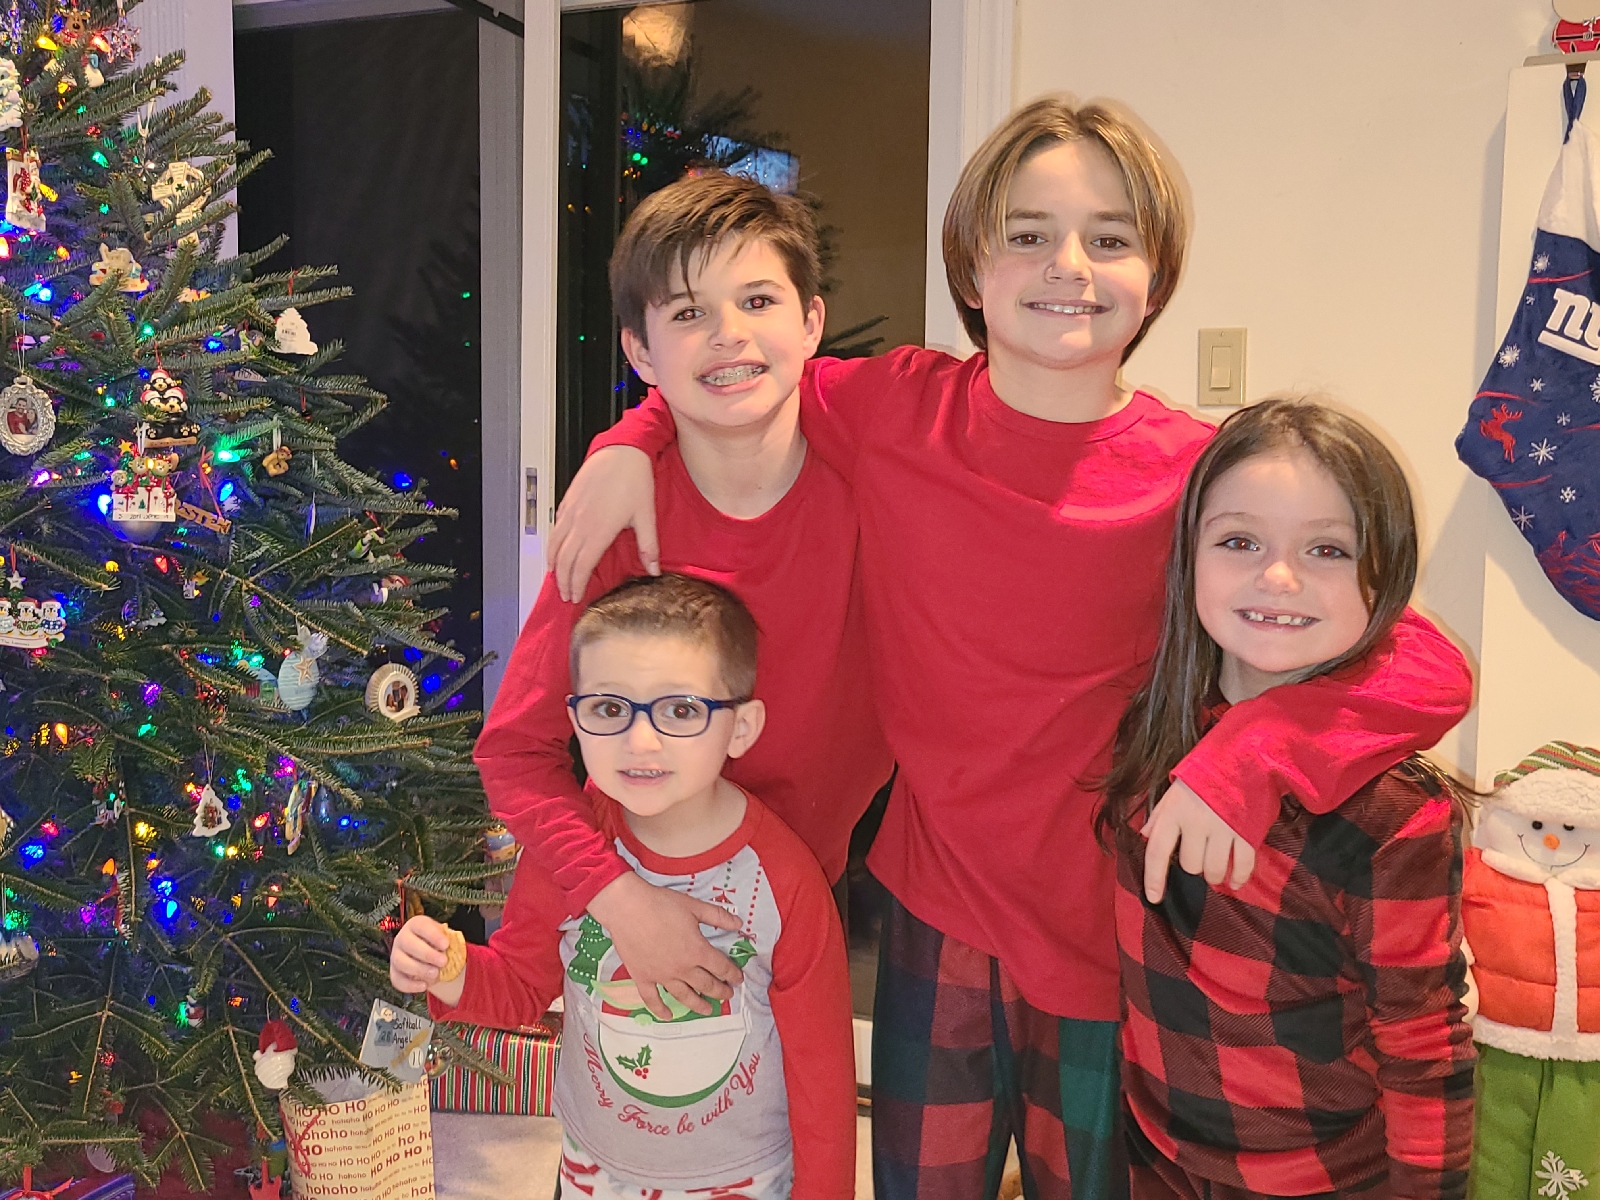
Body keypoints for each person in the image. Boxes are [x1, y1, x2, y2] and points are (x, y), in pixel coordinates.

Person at [551, 98, 1473, 1200]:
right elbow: (739, 373)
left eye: (1109, 237)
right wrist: (631, 436)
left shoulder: (1199, 475)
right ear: (972, 267)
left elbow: (1425, 664)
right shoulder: (893, 409)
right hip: (932, 917)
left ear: (1156, 277)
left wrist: (1249, 756)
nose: (1066, 266)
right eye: (1027, 233)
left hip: (1114, 934)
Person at [474, 170, 890, 1022]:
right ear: (640, 352)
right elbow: (515, 752)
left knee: (793, 1095)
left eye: (758, 300)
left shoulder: (878, 483)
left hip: (805, 887)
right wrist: (621, 900)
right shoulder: (617, 521)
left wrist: (634, 430)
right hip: (633, 889)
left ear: (812, 323)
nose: (729, 334)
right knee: (635, 1098)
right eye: (690, 312)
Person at [1102, 398, 1475, 1199]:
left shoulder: (1395, 813)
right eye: (1240, 541)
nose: (1279, 576)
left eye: (1328, 549)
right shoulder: (1154, 720)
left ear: (1384, 578)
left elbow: (1424, 1047)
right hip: (1159, 1151)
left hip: (1323, 1177)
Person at [392, 573, 857, 1200]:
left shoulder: (785, 879)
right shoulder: (568, 853)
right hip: (594, 1172)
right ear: (575, 720)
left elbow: (824, 1083)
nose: (640, 741)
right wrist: (443, 967)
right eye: (610, 709)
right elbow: (519, 988)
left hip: (742, 1180)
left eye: (681, 710)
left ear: (741, 728)